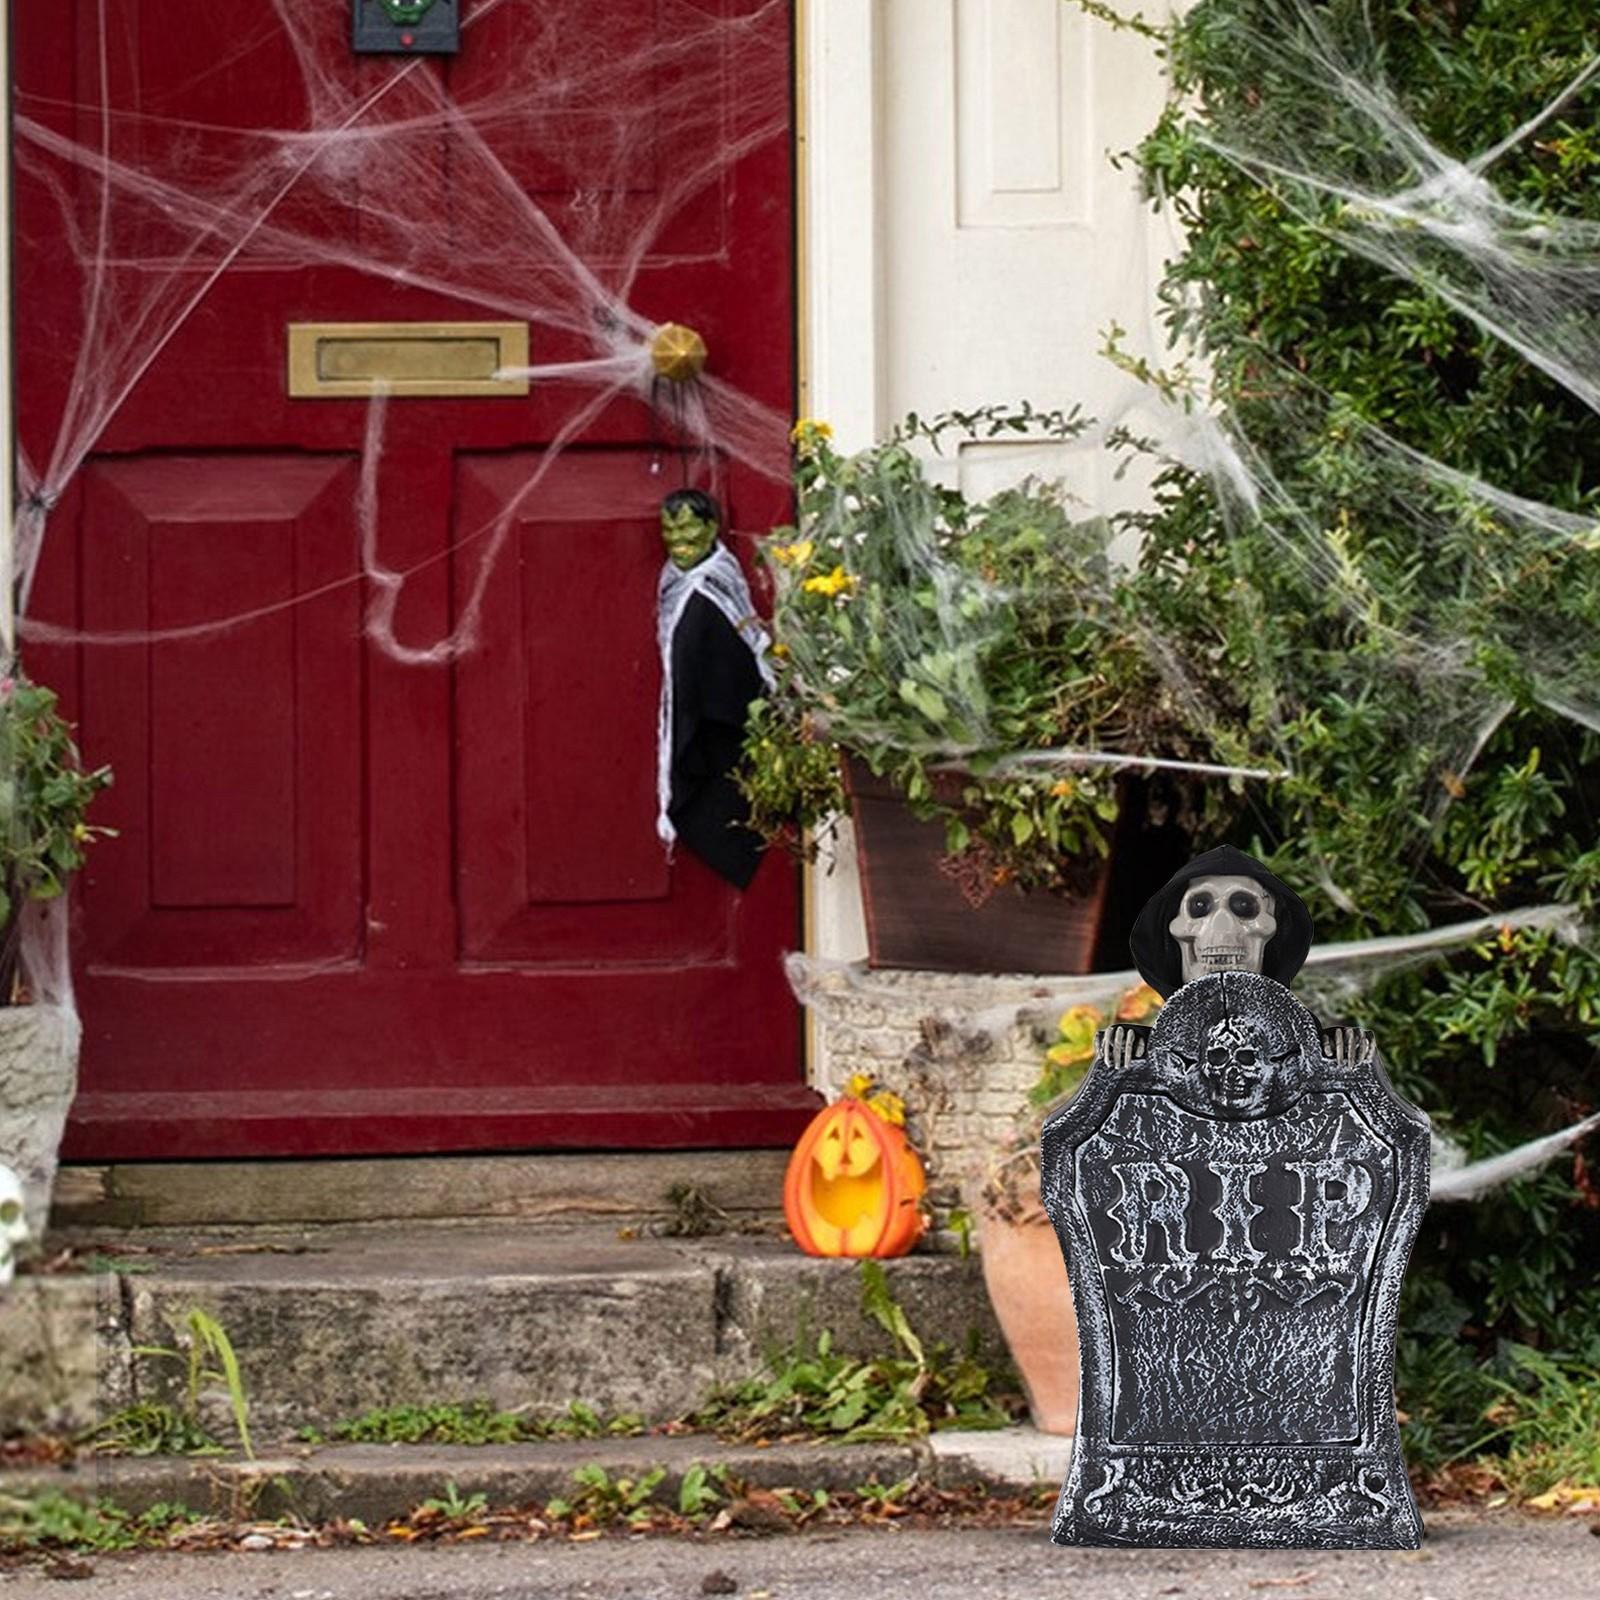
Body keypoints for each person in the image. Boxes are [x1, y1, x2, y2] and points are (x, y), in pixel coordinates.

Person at [655, 489, 774, 889]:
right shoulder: (681, 590)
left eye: (687, 526)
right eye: (668, 529)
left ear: (711, 529)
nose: (676, 539)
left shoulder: (709, 598)